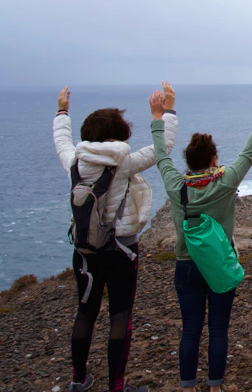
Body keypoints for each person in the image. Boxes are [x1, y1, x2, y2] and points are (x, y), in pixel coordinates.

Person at [54, 83, 177, 392]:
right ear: (119, 135)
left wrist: (62, 111)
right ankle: (117, 387)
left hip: (84, 250)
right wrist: (164, 114)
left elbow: (61, 141)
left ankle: (78, 379)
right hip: (122, 249)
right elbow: (164, 148)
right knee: (120, 316)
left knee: (85, 312)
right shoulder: (123, 163)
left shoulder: (75, 163)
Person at [153, 87, 252, 392]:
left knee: (190, 330)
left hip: (186, 266)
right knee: (218, 329)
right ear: (213, 159)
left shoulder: (176, 185)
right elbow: (249, 152)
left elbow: (159, 156)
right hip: (219, 264)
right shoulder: (225, 182)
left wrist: (159, 117)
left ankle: (187, 386)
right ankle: (216, 386)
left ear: (188, 161)